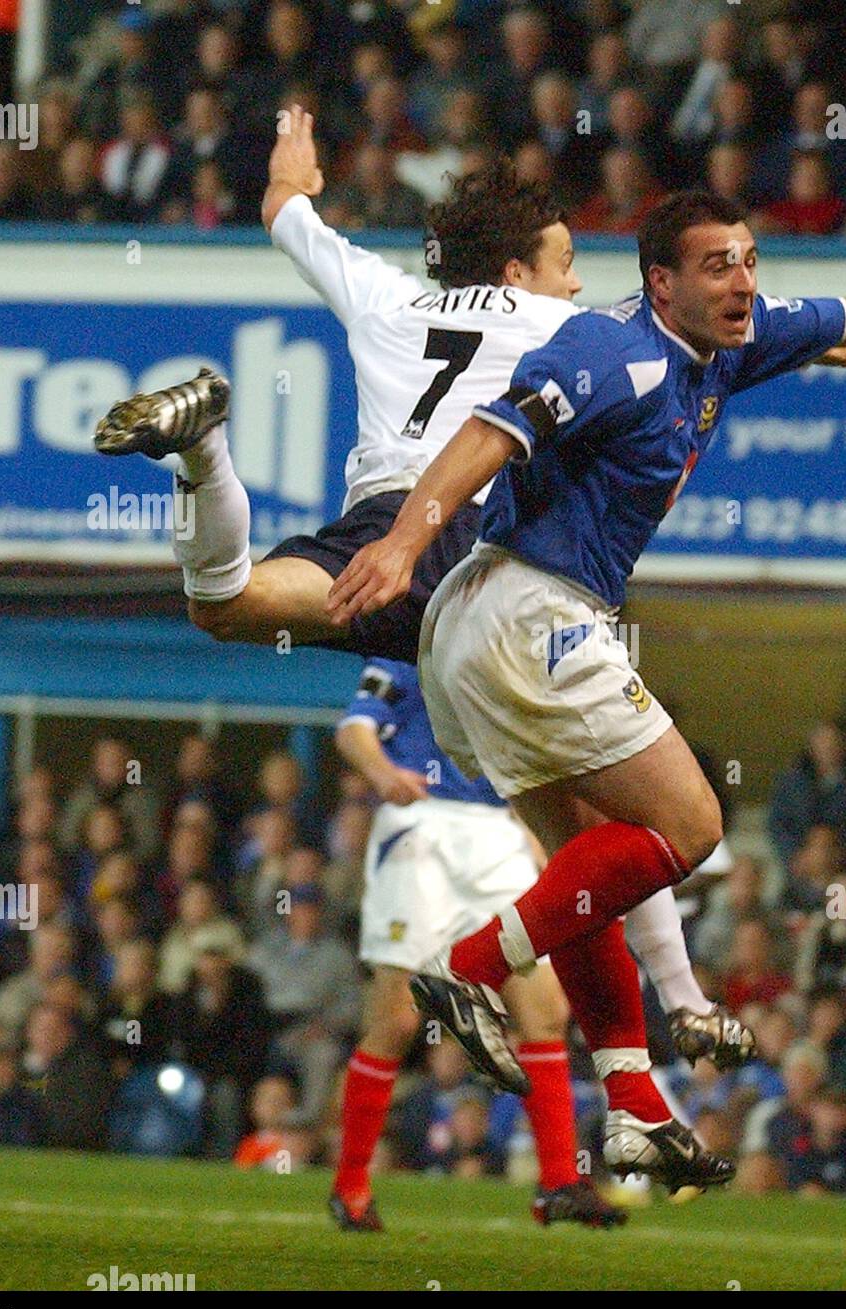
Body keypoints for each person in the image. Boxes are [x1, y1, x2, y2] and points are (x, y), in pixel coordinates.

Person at [325, 187, 846, 1184]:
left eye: (749, 259)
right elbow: (487, 436)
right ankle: (467, 968)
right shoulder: (611, 352)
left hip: (485, 629)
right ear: (661, 283)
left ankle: (634, 1103)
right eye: (717, 265)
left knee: (585, 883)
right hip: (527, 611)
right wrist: (398, 540)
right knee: (690, 826)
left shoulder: (727, 339)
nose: (743, 281)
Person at [93, 109, 752, 1089]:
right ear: (522, 271)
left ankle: (201, 452)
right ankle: (677, 1010)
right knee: (608, 815)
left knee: (225, 603)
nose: (578, 280)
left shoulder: (391, 299)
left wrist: (294, 171)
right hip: (487, 556)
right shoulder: (581, 331)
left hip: (373, 539)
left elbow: (284, 213)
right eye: (566, 260)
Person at [328, 655, 627, 1230]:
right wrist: (381, 773)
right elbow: (355, 727)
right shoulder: (406, 647)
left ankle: (558, 1182)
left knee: (545, 1009)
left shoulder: (505, 651)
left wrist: (530, 828)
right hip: (422, 825)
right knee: (397, 1019)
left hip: (497, 833)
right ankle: (351, 1186)